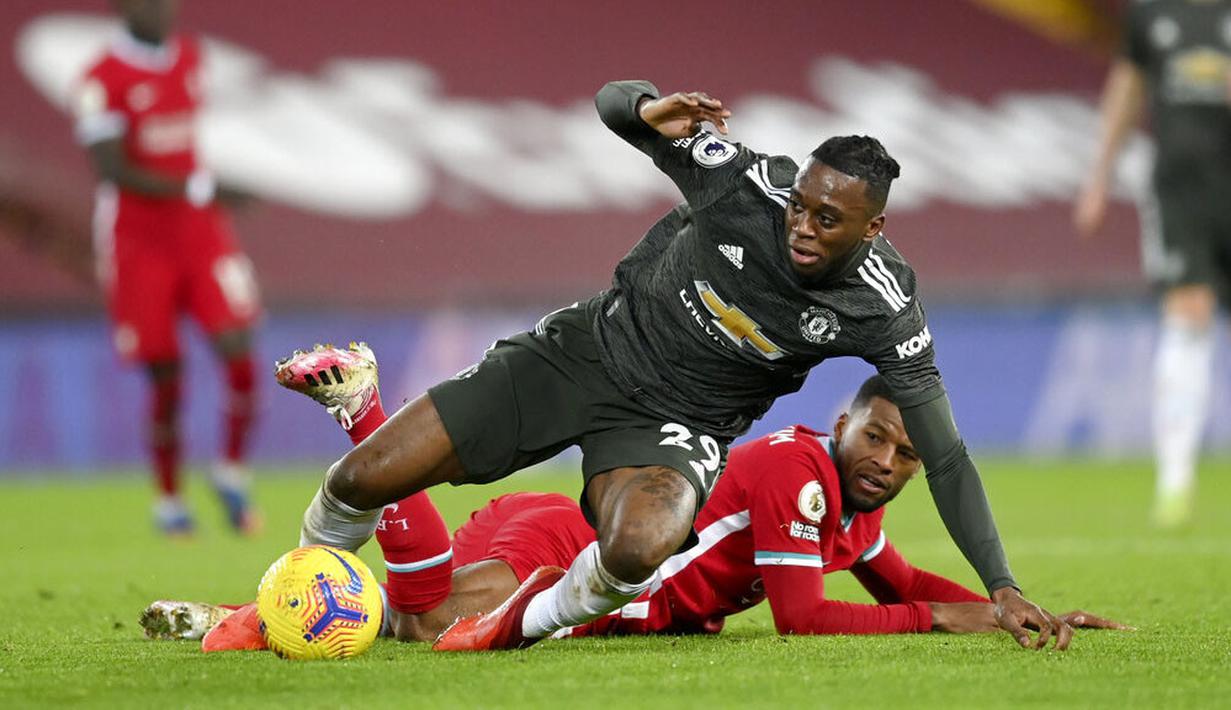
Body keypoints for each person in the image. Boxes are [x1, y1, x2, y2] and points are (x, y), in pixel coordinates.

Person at [296, 79, 1071, 651]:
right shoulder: (744, 184)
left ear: (872, 229)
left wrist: (998, 584)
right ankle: (284, 602)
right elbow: (608, 106)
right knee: (365, 479)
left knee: (640, 546)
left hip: (678, 424)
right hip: (582, 352)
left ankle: (511, 629)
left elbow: (945, 455)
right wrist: (642, 110)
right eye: (800, 205)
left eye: (826, 220)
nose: (800, 225)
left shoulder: (883, 306)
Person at [141, 351, 1126, 649]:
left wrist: (999, 600)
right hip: (586, 543)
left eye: (904, 452)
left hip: (607, 566)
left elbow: (890, 571)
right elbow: (803, 617)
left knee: (409, 617)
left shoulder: (852, 496)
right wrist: (946, 619)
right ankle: (362, 407)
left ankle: (224, 618)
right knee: (423, 614)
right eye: (876, 434)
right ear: (841, 422)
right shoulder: (794, 471)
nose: (886, 457)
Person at [71, 0, 261, 535]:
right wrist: (202, 187)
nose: (162, 9)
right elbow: (112, 169)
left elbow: (184, 144)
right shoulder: (100, 79)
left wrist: (203, 190)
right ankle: (170, 499)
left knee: (239, 348)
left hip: (200, 234)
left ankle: (230, 469)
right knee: (166, 376)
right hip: (137, 243)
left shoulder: (190, 58)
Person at [1074, 0, 1231, 528]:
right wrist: (1100, 177)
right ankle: (1175, 482)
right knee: (1188, 317)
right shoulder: (1150, 15)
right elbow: (1125, 91)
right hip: (1180, 193)